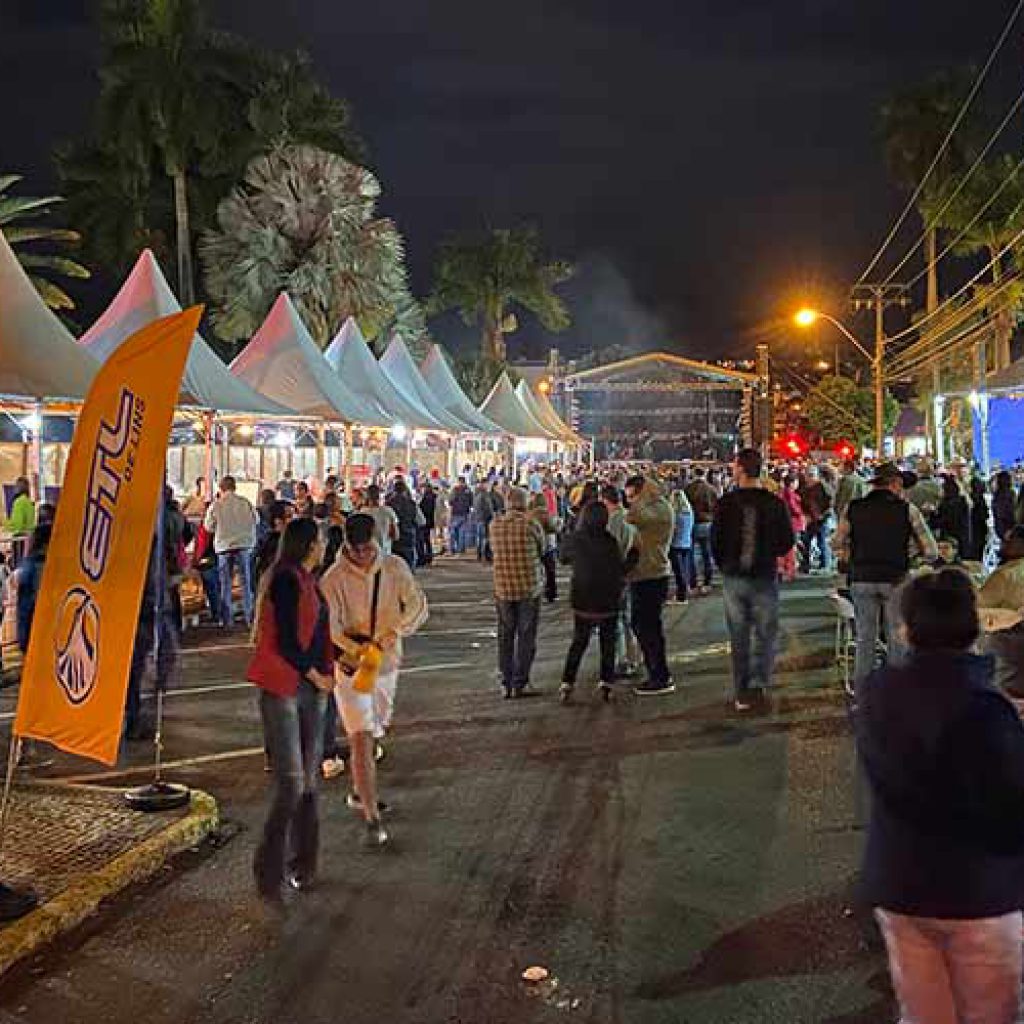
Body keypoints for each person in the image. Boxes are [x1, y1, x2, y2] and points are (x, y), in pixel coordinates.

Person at [855, 569, 1024, 1024]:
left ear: (907, 629)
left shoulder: (877, 693)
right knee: (990, 1014)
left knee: (925, 1013)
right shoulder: (986, 710)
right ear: (974, 629)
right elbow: (1009, 808)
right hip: (978, 893)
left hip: (901, 884)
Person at [319, 513, 428, 847]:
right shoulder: (333, 578)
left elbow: (418, 607)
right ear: (347, 546)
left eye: (369, 549)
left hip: (385, 665)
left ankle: (359, 788)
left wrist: (393, 633)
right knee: (361, 737)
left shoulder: (395, 568)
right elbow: (331, 628)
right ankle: (371, 815)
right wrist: (357, 647)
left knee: (376, 729)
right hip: (352, 667)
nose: (364, 556)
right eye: (357, 550)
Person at [247, 518, 335, 901]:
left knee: (309, 783)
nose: (323, 546)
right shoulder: (284, 578)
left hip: (311, 687)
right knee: (292, 783)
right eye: (319, 541)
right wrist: (314, 673)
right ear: (307, 544)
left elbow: (316, 634)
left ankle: (303, 864)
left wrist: (335, 665)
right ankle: (269, 869)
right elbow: (284, 637)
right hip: (286, 685)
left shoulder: (309, 580)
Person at [833, 462, 938, 686]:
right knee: (896, 639)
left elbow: (836, 543)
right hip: (896, 578)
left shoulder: (853, 507)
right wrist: (911, 555)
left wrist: (851, 556)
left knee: (865, 639)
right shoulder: (907, 509)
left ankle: (863, 692)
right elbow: (931, 551)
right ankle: (896, 691)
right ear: (895, 483)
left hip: (861, 578)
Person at [710, 449, 794, 711]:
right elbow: (787, 541)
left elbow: (716, 540)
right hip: (764, 575)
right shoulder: (774, 503)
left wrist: (724, 563)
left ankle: (742, 690)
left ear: (741, 469)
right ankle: (759, 683)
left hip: (735, 576)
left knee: (739, 635)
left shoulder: (726, 503)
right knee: (765, 633)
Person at [559, 501, 637, 704]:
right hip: (607, 600)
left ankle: (567, 682)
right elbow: (619, 570)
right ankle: (606, 682)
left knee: (579, 641)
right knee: (607, 643)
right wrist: (634, 556)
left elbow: (563, 558)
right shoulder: (609, 541)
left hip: (582, 599)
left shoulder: (575, 539)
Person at [490, 487, 545, 698]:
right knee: (526, 636)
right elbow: (543, 549)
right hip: (528, 588)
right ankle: (520, 682)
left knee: (505, 636)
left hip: (503, 587)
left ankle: (505, 681)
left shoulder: (494, 525)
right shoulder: (531, 524)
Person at [625, 473, 675, 695]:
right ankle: (657, 671)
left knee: (646, 626)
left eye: (632, 495)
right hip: (650, 572)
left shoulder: (657, 510)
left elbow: (632, 517)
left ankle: (659, 676)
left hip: (650, 574)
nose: (630, 500)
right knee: (647, 625)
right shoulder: (659, 507)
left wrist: (636, 500)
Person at [204, 476, 257, 629]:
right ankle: (249, 617)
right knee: (245, 583)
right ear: (235, 487)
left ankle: (227, 620)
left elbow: (208, 527)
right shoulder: (245, 502)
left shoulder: (216, 505)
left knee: (225, 583)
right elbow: (257, 520)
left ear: (221, 488)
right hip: (244, 545)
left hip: (224, 547)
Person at [978, 525, 1024, 696]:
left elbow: (976, 612)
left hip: (1010, 673)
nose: (1003, 545)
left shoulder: (1007, 575)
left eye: (1009, 541)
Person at [684, 468, 716, 592]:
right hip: (708, 523)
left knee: (691, 555)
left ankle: (693, 583)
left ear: (694, 474)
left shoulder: (689, 488)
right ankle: (708, 581)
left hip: (693, 523)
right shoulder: (712, 489)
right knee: (707, 554)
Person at [799, 467, 833, 574]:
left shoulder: (823, 486)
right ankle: (806, 564)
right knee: (806, 542)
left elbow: (830, 502)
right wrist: (804, 515)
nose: (809, 478)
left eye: (812, 475)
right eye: (808, 475)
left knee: (822, 542)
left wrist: (824, 515)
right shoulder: (803, 488)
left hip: (822, 519)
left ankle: (825, 564)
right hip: (809, 519)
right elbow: (801, 502)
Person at [529, 491, 559, 603]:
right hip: (547, 545)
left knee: (536, 571)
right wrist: (558, 524)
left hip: (534, 546)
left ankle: (535, 592)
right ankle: (551, 593)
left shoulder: (530, 514)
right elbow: (553, 528)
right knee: (550, 571)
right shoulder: (545, 514)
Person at [935, 473, 970, 561]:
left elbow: (944, 521)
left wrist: (932, 514)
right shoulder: (963, 501)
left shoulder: (946, 504)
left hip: (950, 538)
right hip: (963, 537)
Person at [777, 472, 805, 583]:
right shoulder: (791, 495)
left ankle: (780, 569)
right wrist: (802, 514)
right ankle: (789, 572)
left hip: (782, 524)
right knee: (791, 549)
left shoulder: (780, 494)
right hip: (793, 524)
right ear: (793, 483)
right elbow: (795, 509)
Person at [668, 488, 694, 603]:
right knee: (685, 569)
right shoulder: (689, 513)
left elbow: (671, 531)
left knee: (678, 572)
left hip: (676, 545)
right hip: (687, 543)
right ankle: (685, 591)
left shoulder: (674, 516)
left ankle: (681, 596)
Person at [361, 483, 399, 555]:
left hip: (368, 554)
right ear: (379, 495)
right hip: (385, 552)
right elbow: (396, 535)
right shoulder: (388, 511)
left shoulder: (362, 513)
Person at [472, 481, 496, 562]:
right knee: (485, 538)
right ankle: (486, 555)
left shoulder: (476, 495)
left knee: (480, 538)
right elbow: (488, 509)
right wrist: (492, 516)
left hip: (479, 518)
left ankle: (479, 554)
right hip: (485, 519)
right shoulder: (485, 496)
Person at [448, 477, 473, 554]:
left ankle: (452, 549)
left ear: (458, 482)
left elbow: (450, 501)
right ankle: (461, 549)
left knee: (453, 532)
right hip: (465, 513)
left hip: (455, 514)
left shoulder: (455, 490)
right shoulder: (469, 491)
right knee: (462, 532)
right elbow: (472, 503)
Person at [968, 476, 990, 562]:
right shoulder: (981, 499)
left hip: (971, 531)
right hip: (980, 531)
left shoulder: (968, 499)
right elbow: (985, 515)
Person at [993, 470, 1018, 543]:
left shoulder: (998, 495)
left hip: (1004, 531)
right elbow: (1009, 513)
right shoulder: (1009, 494)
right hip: (1009, 531)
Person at [417, 481, 436, 567]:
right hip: (429, 521)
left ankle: (426, 557)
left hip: (425, 521)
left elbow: (425, 510)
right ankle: (429, 556)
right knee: (427, 540)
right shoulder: (433, 497)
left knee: (423, 540)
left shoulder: (427, 498)